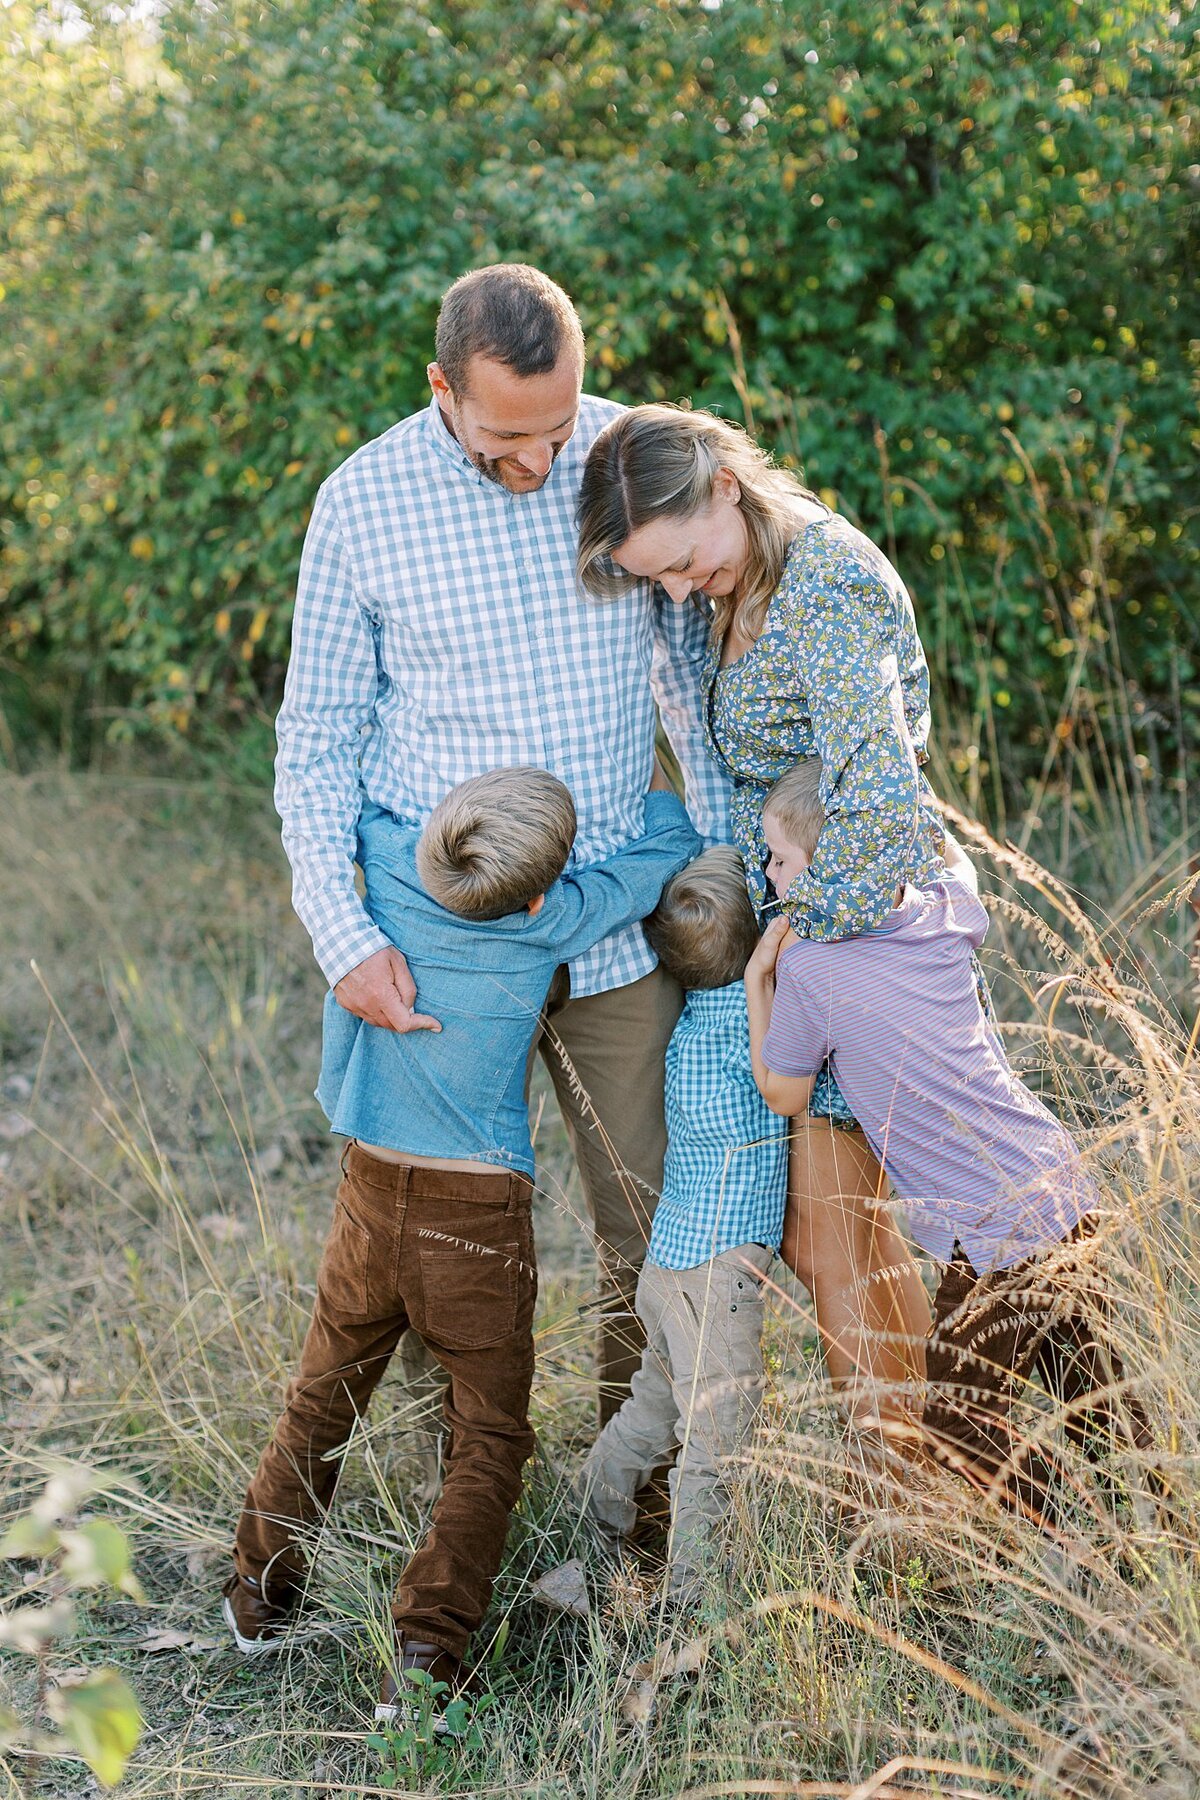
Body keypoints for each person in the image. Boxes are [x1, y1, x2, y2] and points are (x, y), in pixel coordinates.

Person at [275, 264, 729, 1434]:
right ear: (442, 387)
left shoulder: (628, 459)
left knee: (654, 1216)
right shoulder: (363, 502)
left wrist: (732, 863)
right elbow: (317, 737)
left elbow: (698, 676)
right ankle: (462, 1507)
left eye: (558, 425)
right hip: (443, 936)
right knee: (444, 1232)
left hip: (616, 921)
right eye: (505, 436)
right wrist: (343, 933)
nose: (540, 462)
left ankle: (636, 1516)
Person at [224, 766, 701, 1728]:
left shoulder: (395, 864)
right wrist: (654, 797)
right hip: (474, 1220)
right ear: (536, 890)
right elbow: (657, 860)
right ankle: (429, 1650)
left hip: (369, 1197)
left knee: (324, 1392)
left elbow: (343, 808)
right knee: (489, 1434)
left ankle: (257, 1593)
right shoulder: (548, 918)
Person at [576, 404, 941, 1420]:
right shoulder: (727, 590)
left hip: (848, 940)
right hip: (783, 950)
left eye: (688, 561)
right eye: (663, 579)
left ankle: (908, 1500)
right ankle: (910, 1474)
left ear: (725, 486)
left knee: (838, 1237)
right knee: (820, 1235)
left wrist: (792, 964)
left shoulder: (826, 585)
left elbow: (880, 806)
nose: (685, 589)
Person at [745, 759, 1156, 1518]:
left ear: (830, 868)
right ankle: (1157, 1530)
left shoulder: (809, 969)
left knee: (959, 1430)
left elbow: (785, 1091)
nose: (767, 873)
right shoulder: (941, 911)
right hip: (1056, 1179)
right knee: (1087, 1387)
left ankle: (1079, 1550)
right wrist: (911, 813)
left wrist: (756, 979)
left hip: (998, 1224)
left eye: (778, 858)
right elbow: (957, 862)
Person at [573, 847, 788, 1600]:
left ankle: (591, 1532)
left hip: (669, 1264)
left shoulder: (688, 1030)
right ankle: (698, 1591)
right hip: (715, 1273)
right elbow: (788, 1088)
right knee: (715, 1435)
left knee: (650, 1409)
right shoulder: (754, 1030)